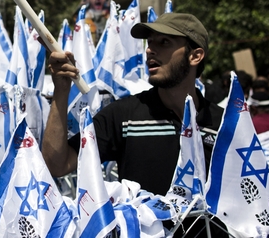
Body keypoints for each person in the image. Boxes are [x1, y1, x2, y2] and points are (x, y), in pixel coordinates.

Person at [43, 13, 224, 196]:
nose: (150, 50)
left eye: (164, 42)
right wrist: (61, 91)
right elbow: (57, 165)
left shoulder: (224, 124)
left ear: (195, 56)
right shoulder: (123, 116)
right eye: (150, 42)